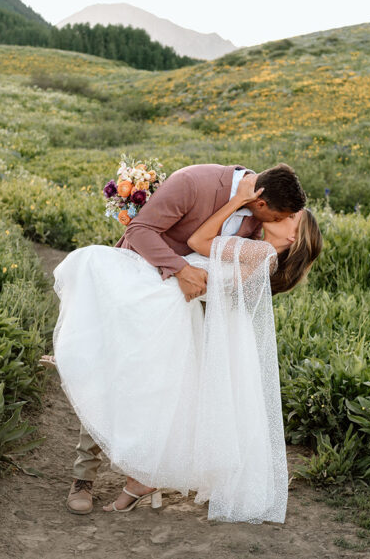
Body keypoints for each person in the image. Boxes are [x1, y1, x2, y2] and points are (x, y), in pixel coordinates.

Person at [48, 163, 322, 522]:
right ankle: (83, 477)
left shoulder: (261, 227)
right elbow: (143, 231)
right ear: (262, 202)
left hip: (187, 315)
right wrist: (179, 269)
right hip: (147, 289)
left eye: (292, 219)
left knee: (166, 393)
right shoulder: (194, 182)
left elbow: (212, 255)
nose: (290, 218)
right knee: (112, 373)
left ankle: (145, 476)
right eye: (287, 214)